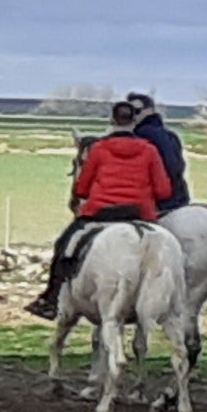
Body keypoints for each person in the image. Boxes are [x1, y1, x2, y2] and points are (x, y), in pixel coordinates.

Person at [34, 96, 186, 316]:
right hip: (139, 214)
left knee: (64, 246)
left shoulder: (99, 149)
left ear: (112, 121)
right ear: (134, 121)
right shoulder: (149, 150)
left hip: (100, 213)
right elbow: (164, 190)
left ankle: (51, 299)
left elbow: (82, 189)